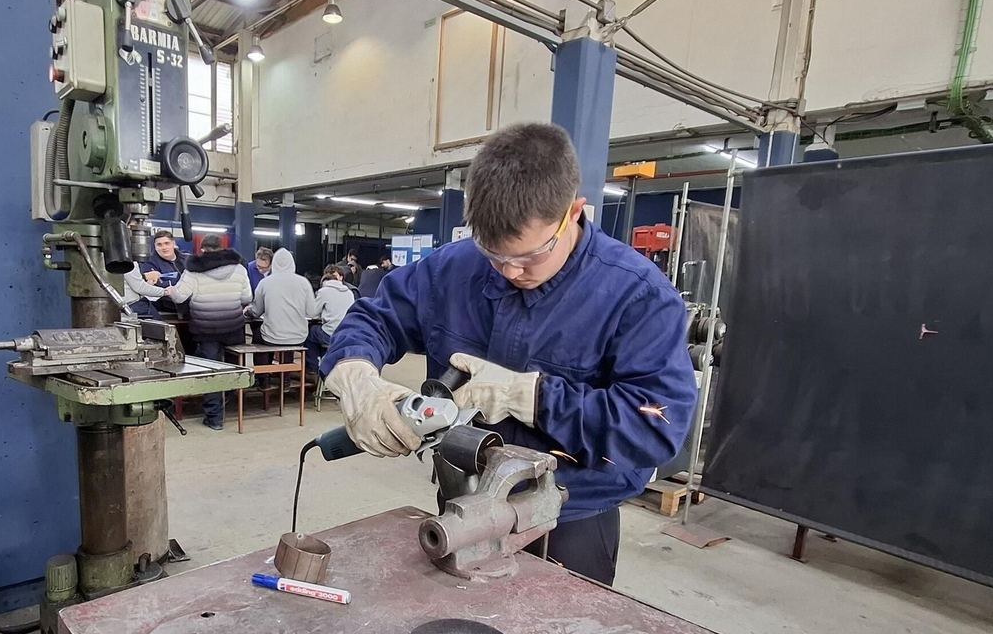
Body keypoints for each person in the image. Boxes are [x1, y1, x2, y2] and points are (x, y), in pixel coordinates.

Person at [320, 122, 696, 585]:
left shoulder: (637, 296)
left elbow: (656, 428)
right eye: (495, 254)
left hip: (568, 517)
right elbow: (374, 317)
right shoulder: (454, 269)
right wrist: (355, 374)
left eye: (530, 256)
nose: (510, 270)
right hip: (460, 500)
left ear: (573, 212)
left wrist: (533, 397)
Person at [166, 235, 251, 430]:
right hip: (233, 328)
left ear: (202, 250)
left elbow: (179, 298)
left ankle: (215, 418)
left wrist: (170, 290)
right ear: (222, 248)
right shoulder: (239, 268)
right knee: (232, 369)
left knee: (211, 372)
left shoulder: (193, 270)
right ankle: (230, 404)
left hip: (207, 330)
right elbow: (247, 297)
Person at [248, 247, 314, 349]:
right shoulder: (304, 282)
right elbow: (311, 312)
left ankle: (263, 364)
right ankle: (288, 364)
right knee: (288, 346)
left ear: (273, 263)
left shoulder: (264, 283)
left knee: (258, 335)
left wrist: (248, 311)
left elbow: (256, 312)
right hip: (299, 337)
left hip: (271, 337)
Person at [307, 263, 356, 377]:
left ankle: (313, 367)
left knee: (310, 333)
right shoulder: (349, 292)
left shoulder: (324, 291)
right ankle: (327, 366)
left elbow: (312, 313)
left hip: (331, 334)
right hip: (346, 335)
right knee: (322, 337)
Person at [142, 230, 185, 313]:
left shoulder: (186, 259)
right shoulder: (149, 263)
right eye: (159, 245)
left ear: (173, 243)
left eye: (167, 243)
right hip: (167, 308)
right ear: (155, 246)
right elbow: (149, 288)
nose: (164, 247)